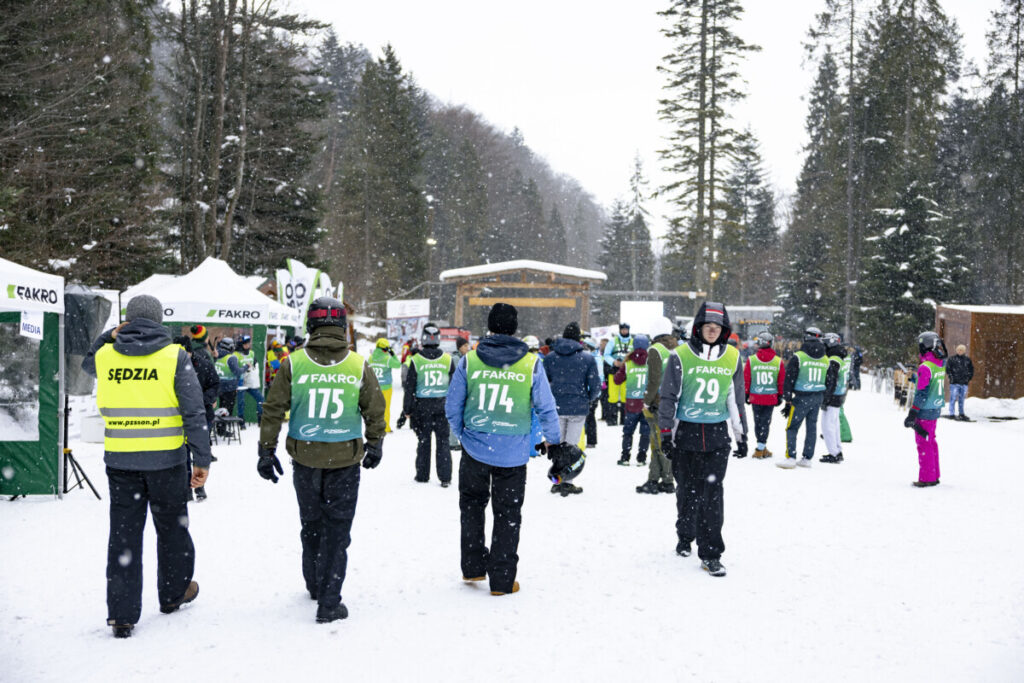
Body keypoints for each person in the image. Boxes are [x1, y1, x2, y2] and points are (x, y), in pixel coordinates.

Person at [82, 295, 210, 638]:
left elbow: (86, 365)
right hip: (167, 461)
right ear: (159, 320)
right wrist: (202, 458)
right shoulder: (174, 356)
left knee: (124, 535)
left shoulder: (106, 356)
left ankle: (122, 615)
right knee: (172, 529)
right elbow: (194, 411)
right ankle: (172, 594)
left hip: (121, 462)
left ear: (127, 321)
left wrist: (110, 335)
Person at [256, 297, 386, 623]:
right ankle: (329, 601)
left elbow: (273, 409)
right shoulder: (357, 364)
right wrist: (375, 444)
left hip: (306, 459)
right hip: (344, 460)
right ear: (342, 327)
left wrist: (266, 450)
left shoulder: (292, 363)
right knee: (338, 531)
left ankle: (315, 583)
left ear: (309, 327)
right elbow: (374, 407)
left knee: (311, 525)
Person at [445, 303, 561, 596]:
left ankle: (472, 568)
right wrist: (554, 441)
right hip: (513, 452)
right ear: (514, 328)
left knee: (471, 507)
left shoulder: (469, 360)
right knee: (508, 515)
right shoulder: (531, 363)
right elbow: (546, 408)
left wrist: (464, 434)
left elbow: (452, 405)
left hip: (474, 449)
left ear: (490, 327)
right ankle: (502, 579)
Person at [658, 302, 746, 578]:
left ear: (724, 330)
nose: (712, 330)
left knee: (712, 494)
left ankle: (711, 554)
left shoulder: (732, 357)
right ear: (698, 328)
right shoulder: (680, 356)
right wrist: (665, 434)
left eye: (717, 326)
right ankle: (685, 535)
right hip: (687, 435)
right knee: (687, 492)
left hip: (717, 437)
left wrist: (741, 435)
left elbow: (736, 398)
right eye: (707, 325)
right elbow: (669, 397)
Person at [543, 322, 601, 495]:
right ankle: (566, 481)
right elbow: (595, 385)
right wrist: (588, 399)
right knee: (571, 446)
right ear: (578, 338)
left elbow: (544, 384)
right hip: (578, 407)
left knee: (558, 445)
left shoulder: (550, 357)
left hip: (556, 407)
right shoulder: (588, 358)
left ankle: (556, 479)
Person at [403, 323, 456, 486]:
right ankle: (445, 476)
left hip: (422, 407)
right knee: (443, 442)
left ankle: (422, 474)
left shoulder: (416, 360)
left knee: (424, 442)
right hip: (443, 405)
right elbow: (454, 386)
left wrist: (407, 409)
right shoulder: (447, 359)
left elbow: (409, 387)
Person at [174, 335, 219, 500]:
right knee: (182, 453)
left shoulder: (204, 365)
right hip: (178, 417)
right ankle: (186, 487)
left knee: (200, 451)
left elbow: (215, 384)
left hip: (202, 414)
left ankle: (200, 486)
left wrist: (202, 400)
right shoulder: (170, 365)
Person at [777, 327, 828, 469]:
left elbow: (789, 379)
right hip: (817, 396)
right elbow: (829, 381)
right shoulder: (825, 358)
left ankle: (791, 457)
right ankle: (807, 457)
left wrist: (787, 399)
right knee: (811, 428)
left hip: (801, 397)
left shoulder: (799, 356)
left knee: (792, 427)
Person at [636, 321, 678, 494]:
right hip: (672, 401)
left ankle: (660, 479)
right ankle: (664, 478)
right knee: (665, 441)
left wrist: (646, 401)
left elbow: (654, 380)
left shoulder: (655, 350)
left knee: (657, 443)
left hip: (658, 402)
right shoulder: (675, 348)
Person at [905, 332, 947, 487]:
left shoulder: (925, 366)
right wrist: (916, 377)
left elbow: (922, 393)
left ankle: (927, 478)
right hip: (935, 407)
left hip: (925, 410)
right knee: (931, 441)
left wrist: (913, 412)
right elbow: (930, 380)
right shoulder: (939, 362)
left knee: (923, 443)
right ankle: (934, 474)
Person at [743, 331, 785, 459]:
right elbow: (781, 381)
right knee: (765, 422)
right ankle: (761, 447)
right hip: (770, 397)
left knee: (758, 422)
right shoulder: (778, 361)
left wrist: (746, 393)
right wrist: (780, 395)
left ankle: (761, 446)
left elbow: (747, 379)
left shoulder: (752, 360)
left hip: (756, 396)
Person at [614, 333, 651, 467]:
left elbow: (617, 380)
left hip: (631, 403)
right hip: (646, 403)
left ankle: (625, 457)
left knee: (628, 432)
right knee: (645, 432)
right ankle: (641, 457)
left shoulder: (628, 363)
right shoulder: (651, 362)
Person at [819, 333, 850, 464]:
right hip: (840, 393)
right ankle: (837, 450)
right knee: (834, 423)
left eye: (825, 343)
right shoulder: (843, 355)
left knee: (827, 425)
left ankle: (834, 453)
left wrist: (826, 398)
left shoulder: (834, 358)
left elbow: (831, 380)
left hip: (834, 394)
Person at [368, 338, 402, 433]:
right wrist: (393, 354)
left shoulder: (370, 358)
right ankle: (386, 427)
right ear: (386, 349)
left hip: (374, 387)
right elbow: (398, 365)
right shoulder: (387, 359)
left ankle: (374, 427)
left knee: (374, 408)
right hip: (386, 387)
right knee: (385, 408)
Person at [603, 322, 634, 425]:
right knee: (613, 395)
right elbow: (606, 355)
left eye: (626, 329)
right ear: (620, 330)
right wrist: (614, 362)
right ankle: (611, 419)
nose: (624, 331)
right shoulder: (613, 341)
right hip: (614, 372)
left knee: (626, 395)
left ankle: (624, 419)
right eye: (623, 329)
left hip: (628, 372)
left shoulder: (632, 342)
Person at [214, 336, 242, 432]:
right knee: (227, 409)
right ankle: (223, 430)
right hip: (229, 388)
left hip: (218, 387)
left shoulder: (216, 355)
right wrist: (246, 367)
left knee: (221, 408)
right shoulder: (231, 358)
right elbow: (237, 372)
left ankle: (220, 428)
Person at [234, 334, 263, 427]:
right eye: (245, 344)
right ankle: (241, 421)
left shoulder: (251, 353)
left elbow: (254, 364)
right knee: (241, 402)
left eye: (248, 343)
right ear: (240, 344)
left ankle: (260, 419)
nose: (247, 345)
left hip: (250, 380)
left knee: (260, 399)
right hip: (240, 381)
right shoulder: (236, 354)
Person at [946, 344, 974, 421]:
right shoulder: (952, 359)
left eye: (961, 350)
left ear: (964, 351)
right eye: (958, 350)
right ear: (956, 350)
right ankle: (951, 413)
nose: (960, 351)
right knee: (953, 398)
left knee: (962, 399)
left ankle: (961, 413)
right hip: (954, 383)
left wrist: (968, 378)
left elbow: (971, 370)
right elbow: (948, 369)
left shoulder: (967, 360)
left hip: (964, 383)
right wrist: (951, 377)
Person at [583, 337, 602, 448]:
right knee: (589, 416)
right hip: (591, 391)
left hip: (591, 392)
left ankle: (591, 440)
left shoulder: (595, 359)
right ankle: (590, 439)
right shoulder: (594, 357)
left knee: (590, 416)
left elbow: (596, 377)